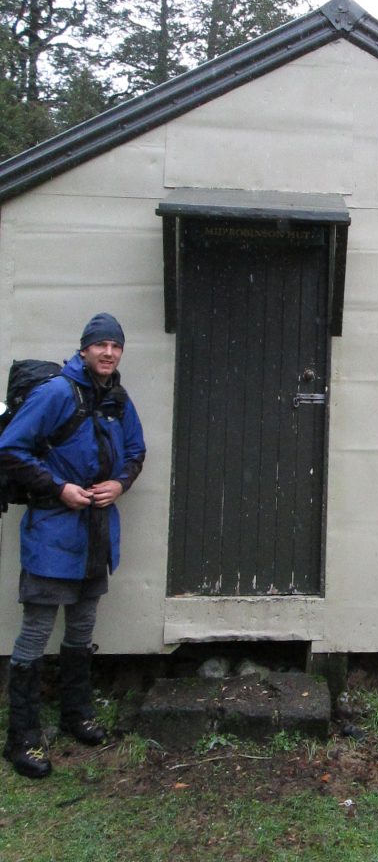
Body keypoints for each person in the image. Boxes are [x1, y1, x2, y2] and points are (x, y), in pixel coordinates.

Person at [0, 314, 145, 779]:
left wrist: (120, 484)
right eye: (100, 344)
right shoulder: (57, 393)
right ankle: (22, 738)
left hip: (97, 534)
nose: (108, 352)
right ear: (83, 349)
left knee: (81, 631)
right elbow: (9, 448)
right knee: (36, 634)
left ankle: (74, 715)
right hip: (53, 532)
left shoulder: (118, 399)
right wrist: (60, 487)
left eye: (115, 346)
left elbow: (137, 451)